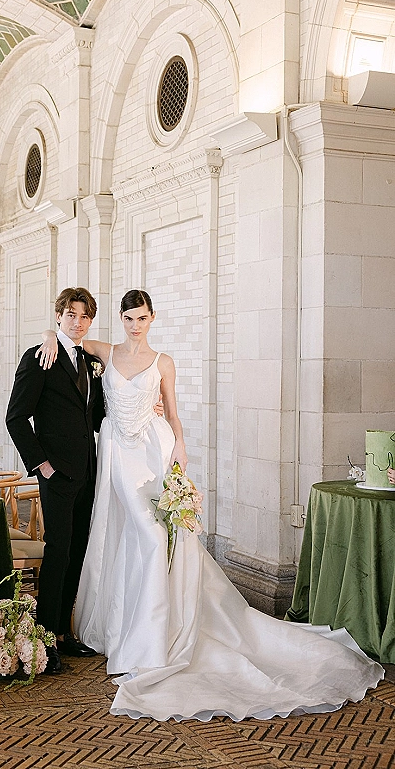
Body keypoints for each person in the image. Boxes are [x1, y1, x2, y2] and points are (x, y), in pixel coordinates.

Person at [38, 289, 384, 721]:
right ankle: (115, 627)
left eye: (142, 318)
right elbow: (69, 337)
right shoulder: (103, 352)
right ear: (121, 319)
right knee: (114, 533)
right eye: (128, 318)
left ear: (152, 318)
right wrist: (48, 337)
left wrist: (180, 444)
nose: (135, 326)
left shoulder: (163, 361)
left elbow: (175, 413)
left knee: (152, 533)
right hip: (113, 455)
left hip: (150, 453)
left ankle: (152, 637)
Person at [5, 287, 105, 673]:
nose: (77, 323)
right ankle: (45, 639)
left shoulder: (88, 360)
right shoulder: (38, 357)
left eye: (85, 317)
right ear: (59, 315)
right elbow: (16, 417)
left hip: (88, 470)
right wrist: (42, 465)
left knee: (77, 550)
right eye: (71, 315)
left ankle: (64, 632)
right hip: (56, 472)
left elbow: (93, 418)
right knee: (58, 550)